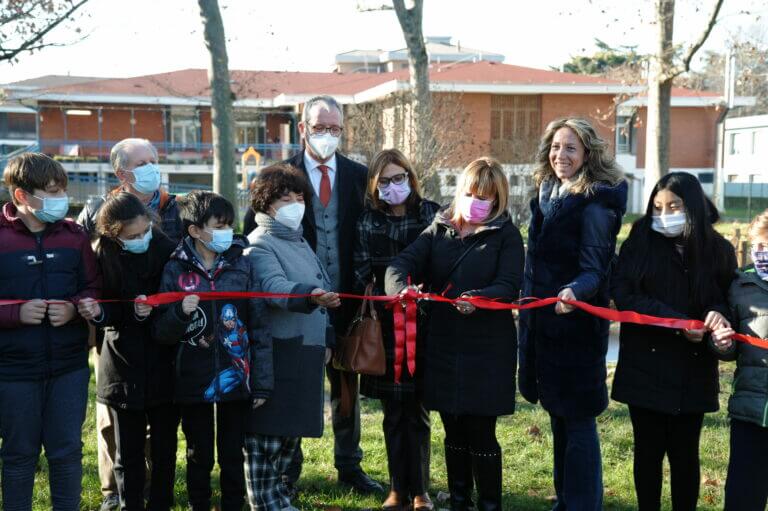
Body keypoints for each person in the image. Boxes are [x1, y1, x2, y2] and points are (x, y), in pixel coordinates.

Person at [245, 95, 379, 494]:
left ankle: (349, 465)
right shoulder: (277, 175)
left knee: (346, 389)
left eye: (335, 128)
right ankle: (289, 472)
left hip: (348, 300)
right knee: (296, 386)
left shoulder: (359, 175)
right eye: (320, 127)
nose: (328, 135)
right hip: (293, 304)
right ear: (303, 128)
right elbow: (255, 231)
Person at [386, 157, 524, 511]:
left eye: (487, 197)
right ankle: (459, 502)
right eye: (471, 193)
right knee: (453, 429)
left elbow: (509, 284)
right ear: (459, 191)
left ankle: (490, 504)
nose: (477, 201)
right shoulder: (439, 229)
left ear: (498, 200)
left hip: (487, 350)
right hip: (444, 346)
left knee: (481, 432)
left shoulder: (506, 235)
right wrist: (401, 288)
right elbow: (400, 264)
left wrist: (480, 299)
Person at [518, 118, 627, 511]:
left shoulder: (596, 202)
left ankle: (583, 504)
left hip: (576, 328)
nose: (560, 155)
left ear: (587, 155)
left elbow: (595, 268)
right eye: (555, 147)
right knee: (558, 418)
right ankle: (565, 501)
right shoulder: (549, 194)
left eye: (570, 148)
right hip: (544, 327)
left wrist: (574, 291)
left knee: (578, 423)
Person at [611, 172, 736, 511]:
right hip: (645, 366)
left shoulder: (719, 251)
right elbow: (624, 294)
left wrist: (716, 317)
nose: (665, 215)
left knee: (685, 455)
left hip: (693, 369)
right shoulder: (639, 241)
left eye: (674, 207)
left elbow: (727, 300)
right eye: (657, 208)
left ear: (691, 207)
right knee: (647, 453)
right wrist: (675, 322)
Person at [77, 137, 183, 511]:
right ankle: (123, 500)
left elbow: (180, 288)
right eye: (131, 237)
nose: (140, 240)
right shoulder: (101, 249)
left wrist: (161, 309)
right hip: (121, 364)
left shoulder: (167, 245)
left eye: (145, 233)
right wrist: (103, 313)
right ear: (113, 234)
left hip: (163, 362)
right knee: (127, 450)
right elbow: (99, 298)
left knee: (166, 450)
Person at [152, 191, 272, 511]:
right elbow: (161, 332)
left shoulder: (243, 265)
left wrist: (260, 381)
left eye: (229, 225)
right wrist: (179, 313)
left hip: (236, 379)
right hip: (192, 380)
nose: (227, 232)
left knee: (233, 451)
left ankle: (234, 504)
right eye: (219, 225)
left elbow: (260, 325)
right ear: (195, 230)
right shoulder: (174, 269)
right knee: (199, 452)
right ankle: (199, 504)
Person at [0, 153, 101, 510]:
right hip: (13, 370)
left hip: (69, 367)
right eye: (51, 191)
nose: (60, 198)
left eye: (62, 190)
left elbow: (91, 285)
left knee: (67, 452)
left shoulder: (74, 237)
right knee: (18, 455)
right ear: (21, 196)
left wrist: (77, 307)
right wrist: (15, 313)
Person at [244, 163, 340, 511]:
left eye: (300, 197)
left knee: (289, 438)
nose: (296, 204)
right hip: (278, 353)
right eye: (287, 198)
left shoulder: (300, 240)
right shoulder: (259, 245)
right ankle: (267, 502)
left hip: (306, 353)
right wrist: (309, 295)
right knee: (266, 437)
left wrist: (327, 337)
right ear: (267, 204)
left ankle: (282, 496)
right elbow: (273, 289)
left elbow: (323, 289)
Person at [354, 149, 440, 511]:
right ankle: (396, 489)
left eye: (399, 177)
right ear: (375, 185)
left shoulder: (432, 214)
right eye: (385, 181)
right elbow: (359, 271)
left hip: (427, 323)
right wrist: (376, 289)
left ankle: (421, 490)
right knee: (393, 412)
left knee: (418, 412)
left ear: (410, 176)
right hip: (386, 326)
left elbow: (445, 260)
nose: (393, 186)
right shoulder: (367, 221)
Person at [711, 209, 768, 511]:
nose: (761, 254)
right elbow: (729, 347)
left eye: (767, 247)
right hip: (751, 409)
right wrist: (720, 343)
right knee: (744, 496)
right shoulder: (739, 285)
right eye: (756, 246)